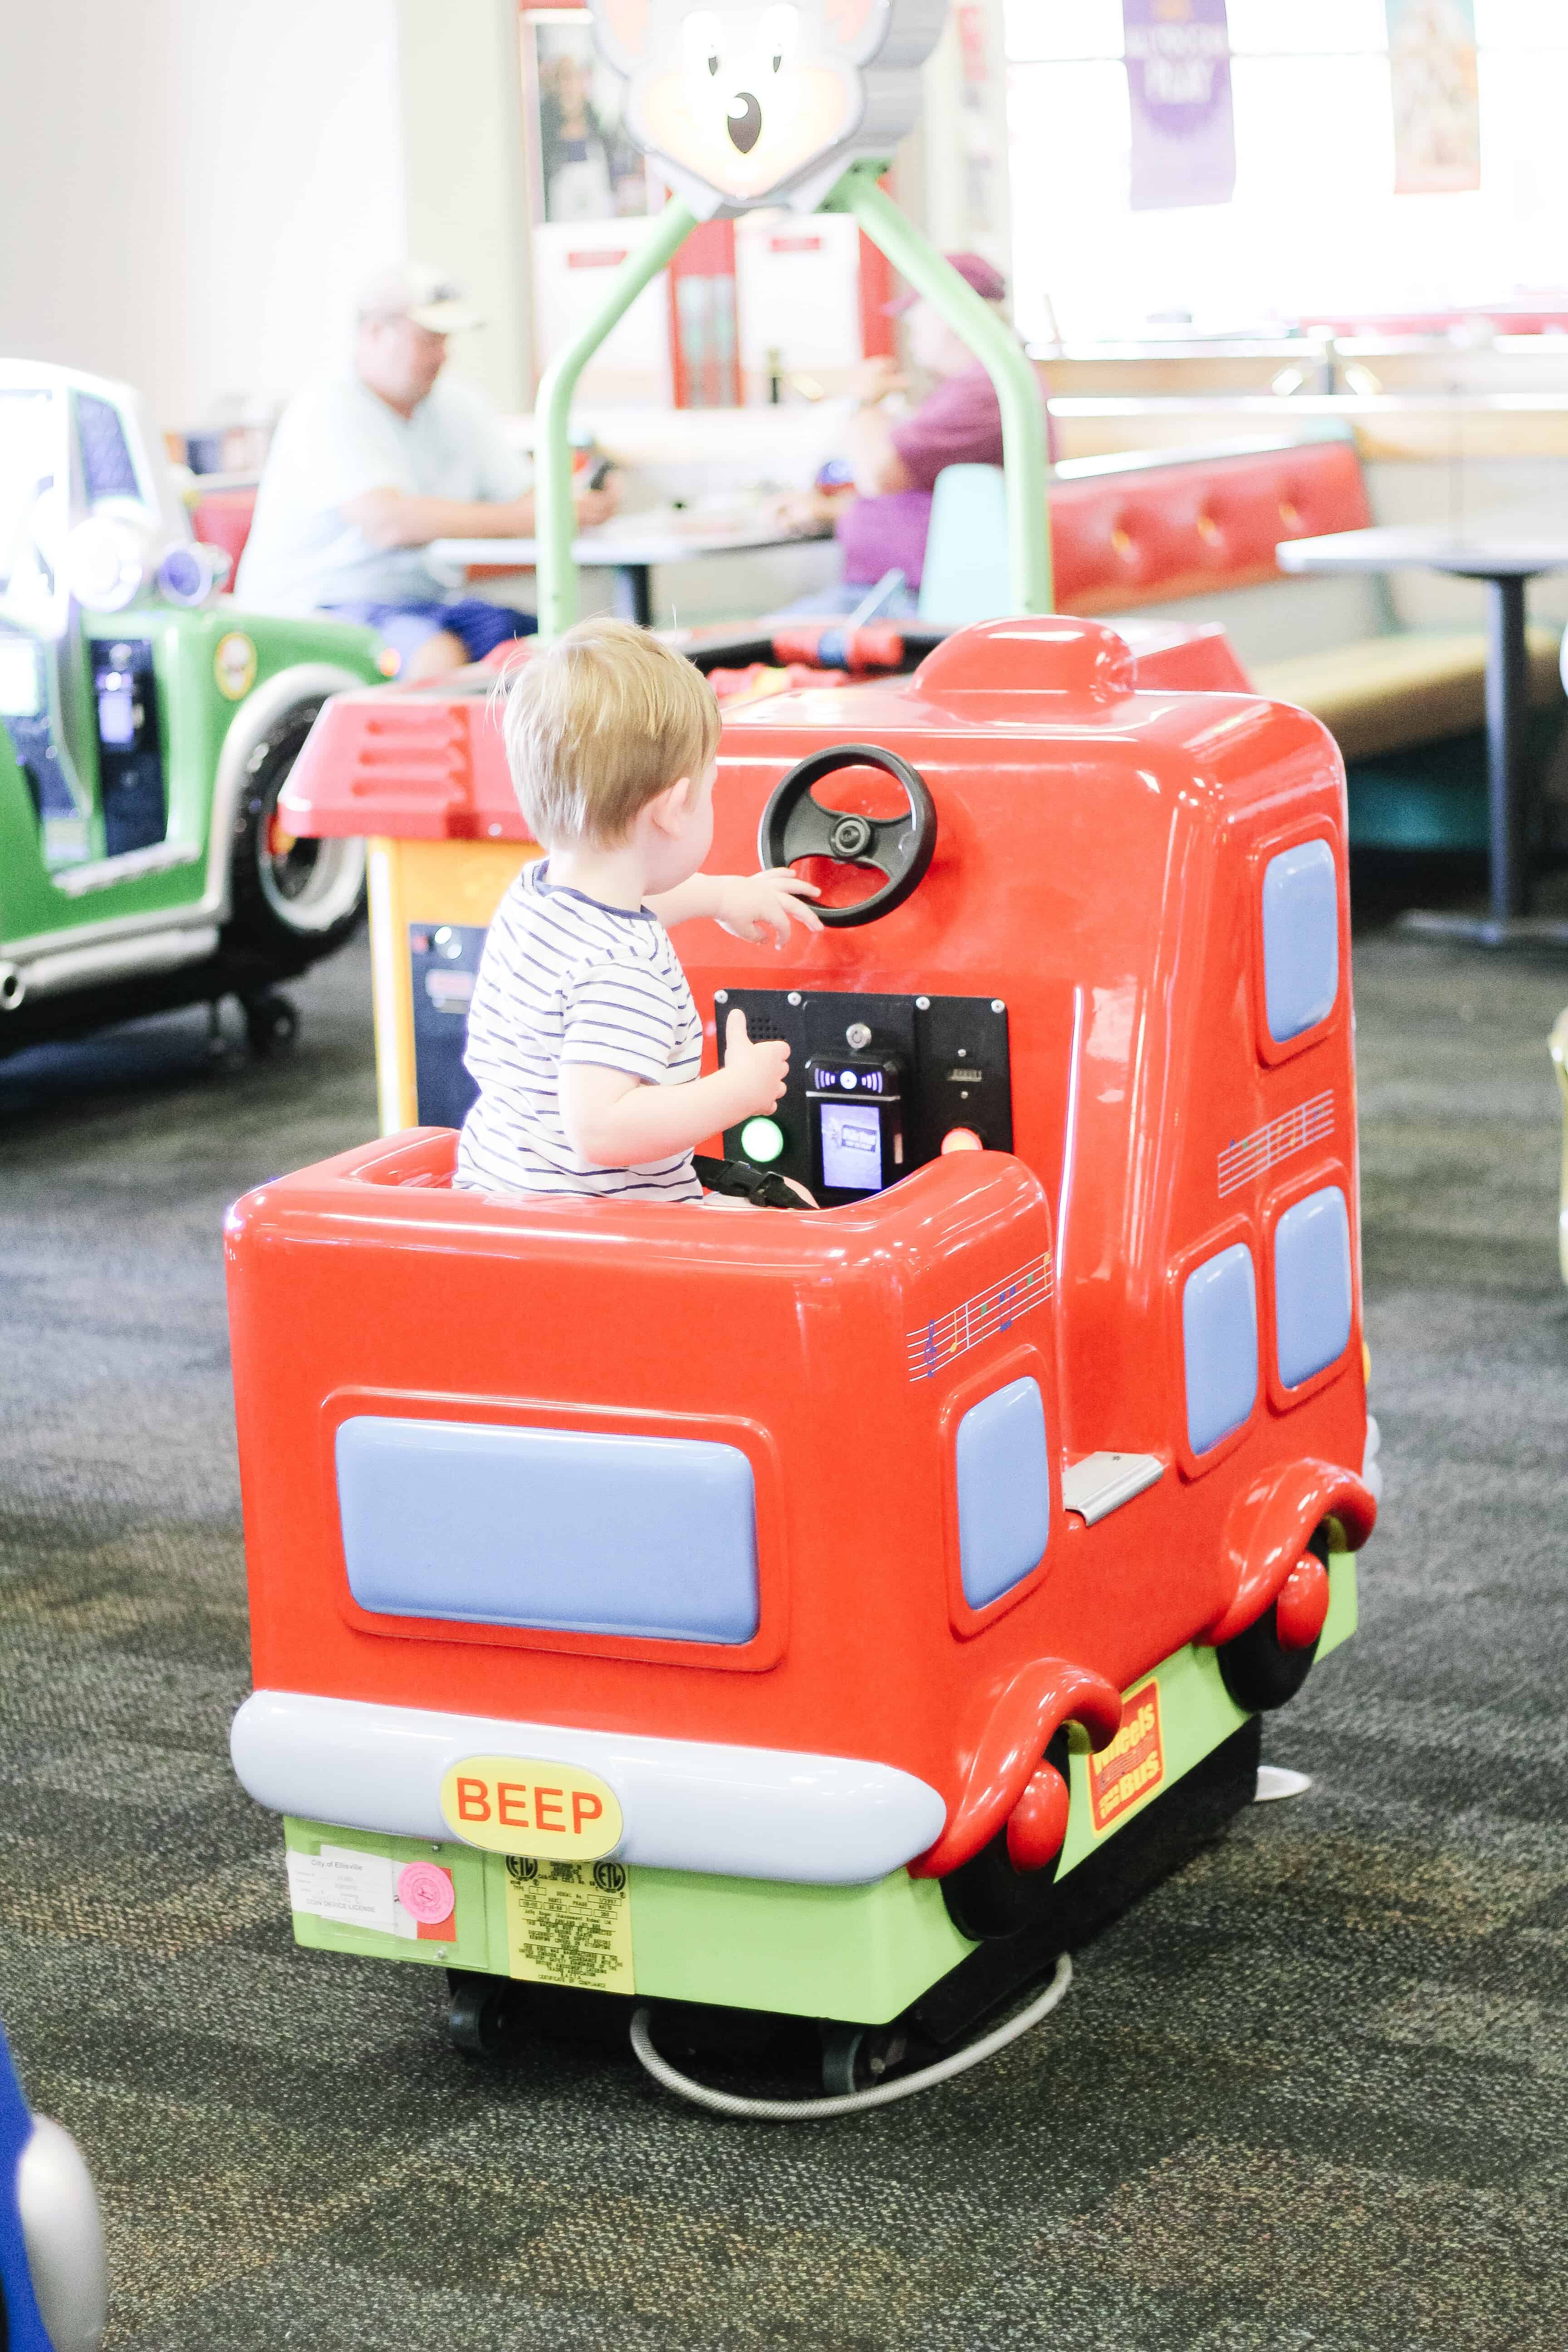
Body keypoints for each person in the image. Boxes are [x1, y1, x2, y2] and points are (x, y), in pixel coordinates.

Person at [453, 618, 820, 1205]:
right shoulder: (625, 970)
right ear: (674, 809)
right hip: (597, 1235)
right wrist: (737, 1091)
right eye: (709, 791)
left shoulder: (540, 895)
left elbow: (638, 904)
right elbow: (603, 1129)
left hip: (507, 1193)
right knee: (791, 1207)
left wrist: (722, 897)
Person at [235, 263, 618, 679]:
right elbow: (389, 523)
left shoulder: (458, 406)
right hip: (319, 608)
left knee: (574, 651)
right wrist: (537, 515)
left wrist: (578, 503)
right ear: (374, 334)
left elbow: (524, 496)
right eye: (428, 339)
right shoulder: (326, 407)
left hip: (429, 604)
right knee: (437, 657)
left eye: (445, 340)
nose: (442, 354)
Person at [774, 252, 1053, 615]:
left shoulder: (986, 389)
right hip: (896, 587)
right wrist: (830, 511)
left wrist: (866, 401)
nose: (910, 330)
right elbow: (926, 496)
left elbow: (880, 475)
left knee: (727, 656)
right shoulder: (982, 384)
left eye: (917, 312)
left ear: (952, 313)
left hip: (908, 597)